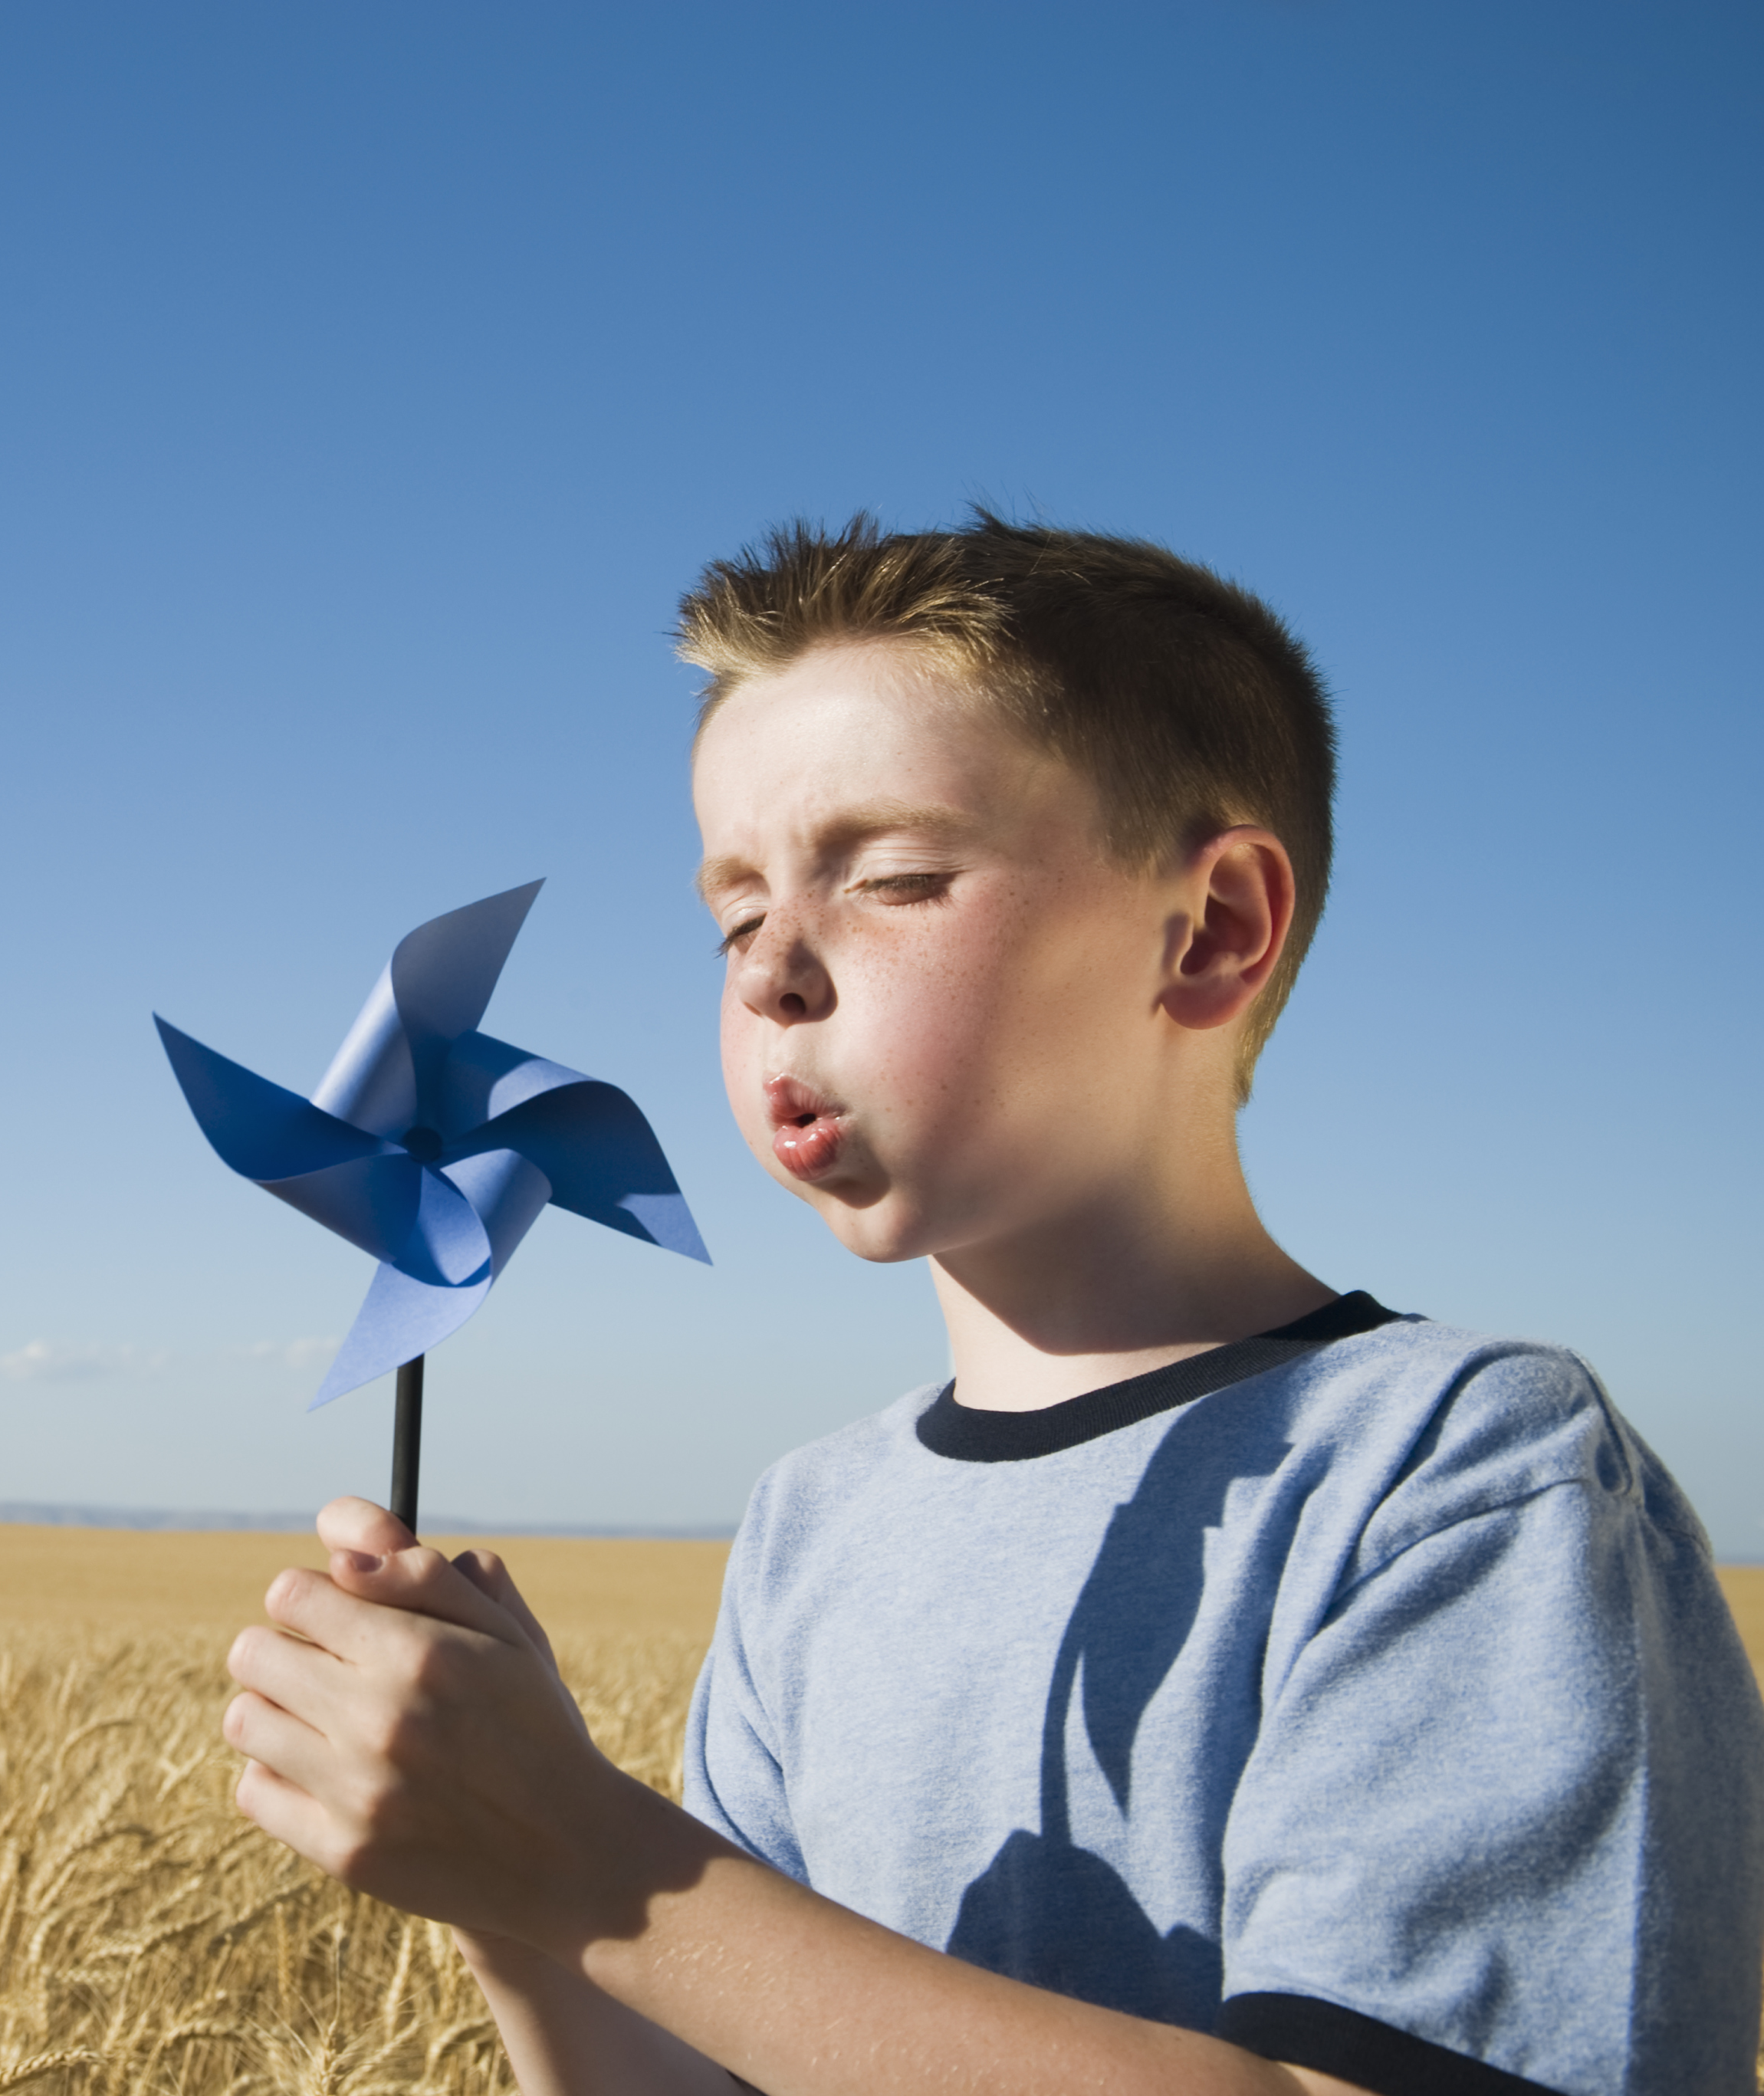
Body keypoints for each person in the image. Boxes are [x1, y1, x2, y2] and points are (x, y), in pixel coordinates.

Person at [218, 513, 1764, 2096]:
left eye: (887, 876)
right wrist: (517, 1894)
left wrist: (599, 1863)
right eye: (732, 913)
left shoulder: (1454, 1471)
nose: (767, 971)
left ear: (1212, 927)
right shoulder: (811, 1522)